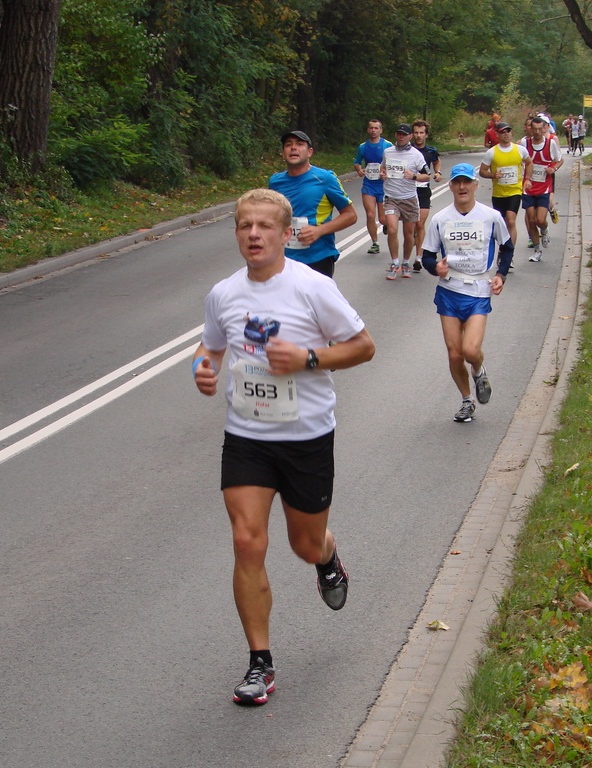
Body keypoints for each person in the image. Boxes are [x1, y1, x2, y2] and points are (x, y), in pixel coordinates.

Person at [193, 188, 376, 706]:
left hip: (306, 437)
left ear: (284, 233)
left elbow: (364, 347)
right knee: (247, 540)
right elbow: (211, 347)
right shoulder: (224, 293)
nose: (253, 234)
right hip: (247, 437)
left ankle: (327, 556)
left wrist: (308, 359)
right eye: (244, 226)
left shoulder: (312, 287)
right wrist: (202, 368)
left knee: (304, 544)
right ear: (236, 233)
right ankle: (260, 663)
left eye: (264, 226)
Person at [419, 164, 512, 422]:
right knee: (455, 354)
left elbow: (507, 247)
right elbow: (427, 256)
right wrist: (435, 268)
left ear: (475, 185)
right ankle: (467, 400)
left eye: (467, 182)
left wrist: (500, 275)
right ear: (450, 186)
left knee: (470, 351)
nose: (462, 187)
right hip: (449, 290)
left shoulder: (491, 216)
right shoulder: (440, 219)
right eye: (457, 182)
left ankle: (479, 371)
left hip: (479, 291)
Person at [269, 130, 357, 279]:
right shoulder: (275, 182)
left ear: (309, 152)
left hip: (317, 257)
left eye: (299, 144)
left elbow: (351, 215)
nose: (293, 148)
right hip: (284, 259)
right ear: (283, 153)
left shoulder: (325, 178)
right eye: (288, 145)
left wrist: (319, 231)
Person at [380, 123, 432, 280]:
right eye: (399, 134)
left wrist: (414, 176)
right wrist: (383, 174)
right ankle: (394, 262)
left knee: (408, 234)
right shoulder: (388, 152)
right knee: (392, 229)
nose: (401, 136)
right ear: (396, 135)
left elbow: (427, 175)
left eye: (404, 134)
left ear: (410, 136)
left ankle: (406, 262)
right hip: (391, 197)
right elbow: (383, 168)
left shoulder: (416, 155)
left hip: (409, 198)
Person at [479, 121, 531, 255]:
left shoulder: (520, 150)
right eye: (503, 132)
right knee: (501, 225)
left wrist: (527, 179)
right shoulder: (492, 152)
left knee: (511, 220)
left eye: (508, 131)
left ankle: (509, 254)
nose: (506, 134)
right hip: (499, 194)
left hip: (515, 191)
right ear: (497, 134)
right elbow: (482, 171)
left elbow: (529, 163)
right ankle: (502, 250)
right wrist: (493, 175)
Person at [519, 116, 563, 262]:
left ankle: (544, 230)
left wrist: (553, 169)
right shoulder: (524, 143)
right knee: (531, 220)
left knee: (540, 220)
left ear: (544, 128)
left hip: (544, 187)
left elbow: (560, 160)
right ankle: (537, 251)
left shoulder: (550, 143)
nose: (537, 132)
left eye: (540, 129)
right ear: (530, 129)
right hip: (528, 187)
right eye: (534, 129)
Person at [353, 119, 393, 255]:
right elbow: (357, 161)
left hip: (383, 185)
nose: (373, 130)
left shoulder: (387, 145)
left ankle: (386, 224)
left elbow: (394, 162)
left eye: (376, 128)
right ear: (368, 130)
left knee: (382, 219)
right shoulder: (363, 147)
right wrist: (359, 170)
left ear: (381, 130)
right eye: (371, 128)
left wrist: (386, 173)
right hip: (369, 184)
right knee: (370, 215)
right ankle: (375, 243)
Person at [411, 119, 443, 271]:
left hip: (423, 190)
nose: (419, 136)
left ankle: (418, 258)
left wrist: (438, 172)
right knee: (411, 226)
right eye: (416, 133)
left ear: (426, 134)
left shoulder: (431, 150)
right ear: (412, 134)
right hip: (408, 190)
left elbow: (436, 161)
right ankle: (412, 239)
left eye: (421, 133)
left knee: (420, 224)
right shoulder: (408, 150)